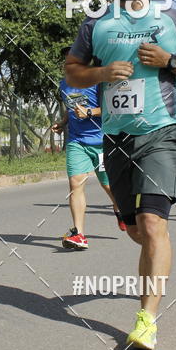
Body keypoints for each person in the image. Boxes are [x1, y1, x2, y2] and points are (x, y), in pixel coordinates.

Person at [66, 0, 176, 350]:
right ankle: (152, 254)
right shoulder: (96, 24)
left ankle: (146, 319)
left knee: (152, 224)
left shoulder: (172, 20)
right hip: (116, 137)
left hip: (162, 132)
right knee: (134, 230)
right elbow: (73, 72)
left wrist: (171, 63)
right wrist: (102, 72)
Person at [53, 57, 125, 250]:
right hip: (77, 142)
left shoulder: (99, 82)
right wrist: (63, 122)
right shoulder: (64, 84)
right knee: (75, 184)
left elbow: (113, 107)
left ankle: (119, 208)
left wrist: (90, 112)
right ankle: (79, 234)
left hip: (102, 141)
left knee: (108, 185)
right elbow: (71, 109)